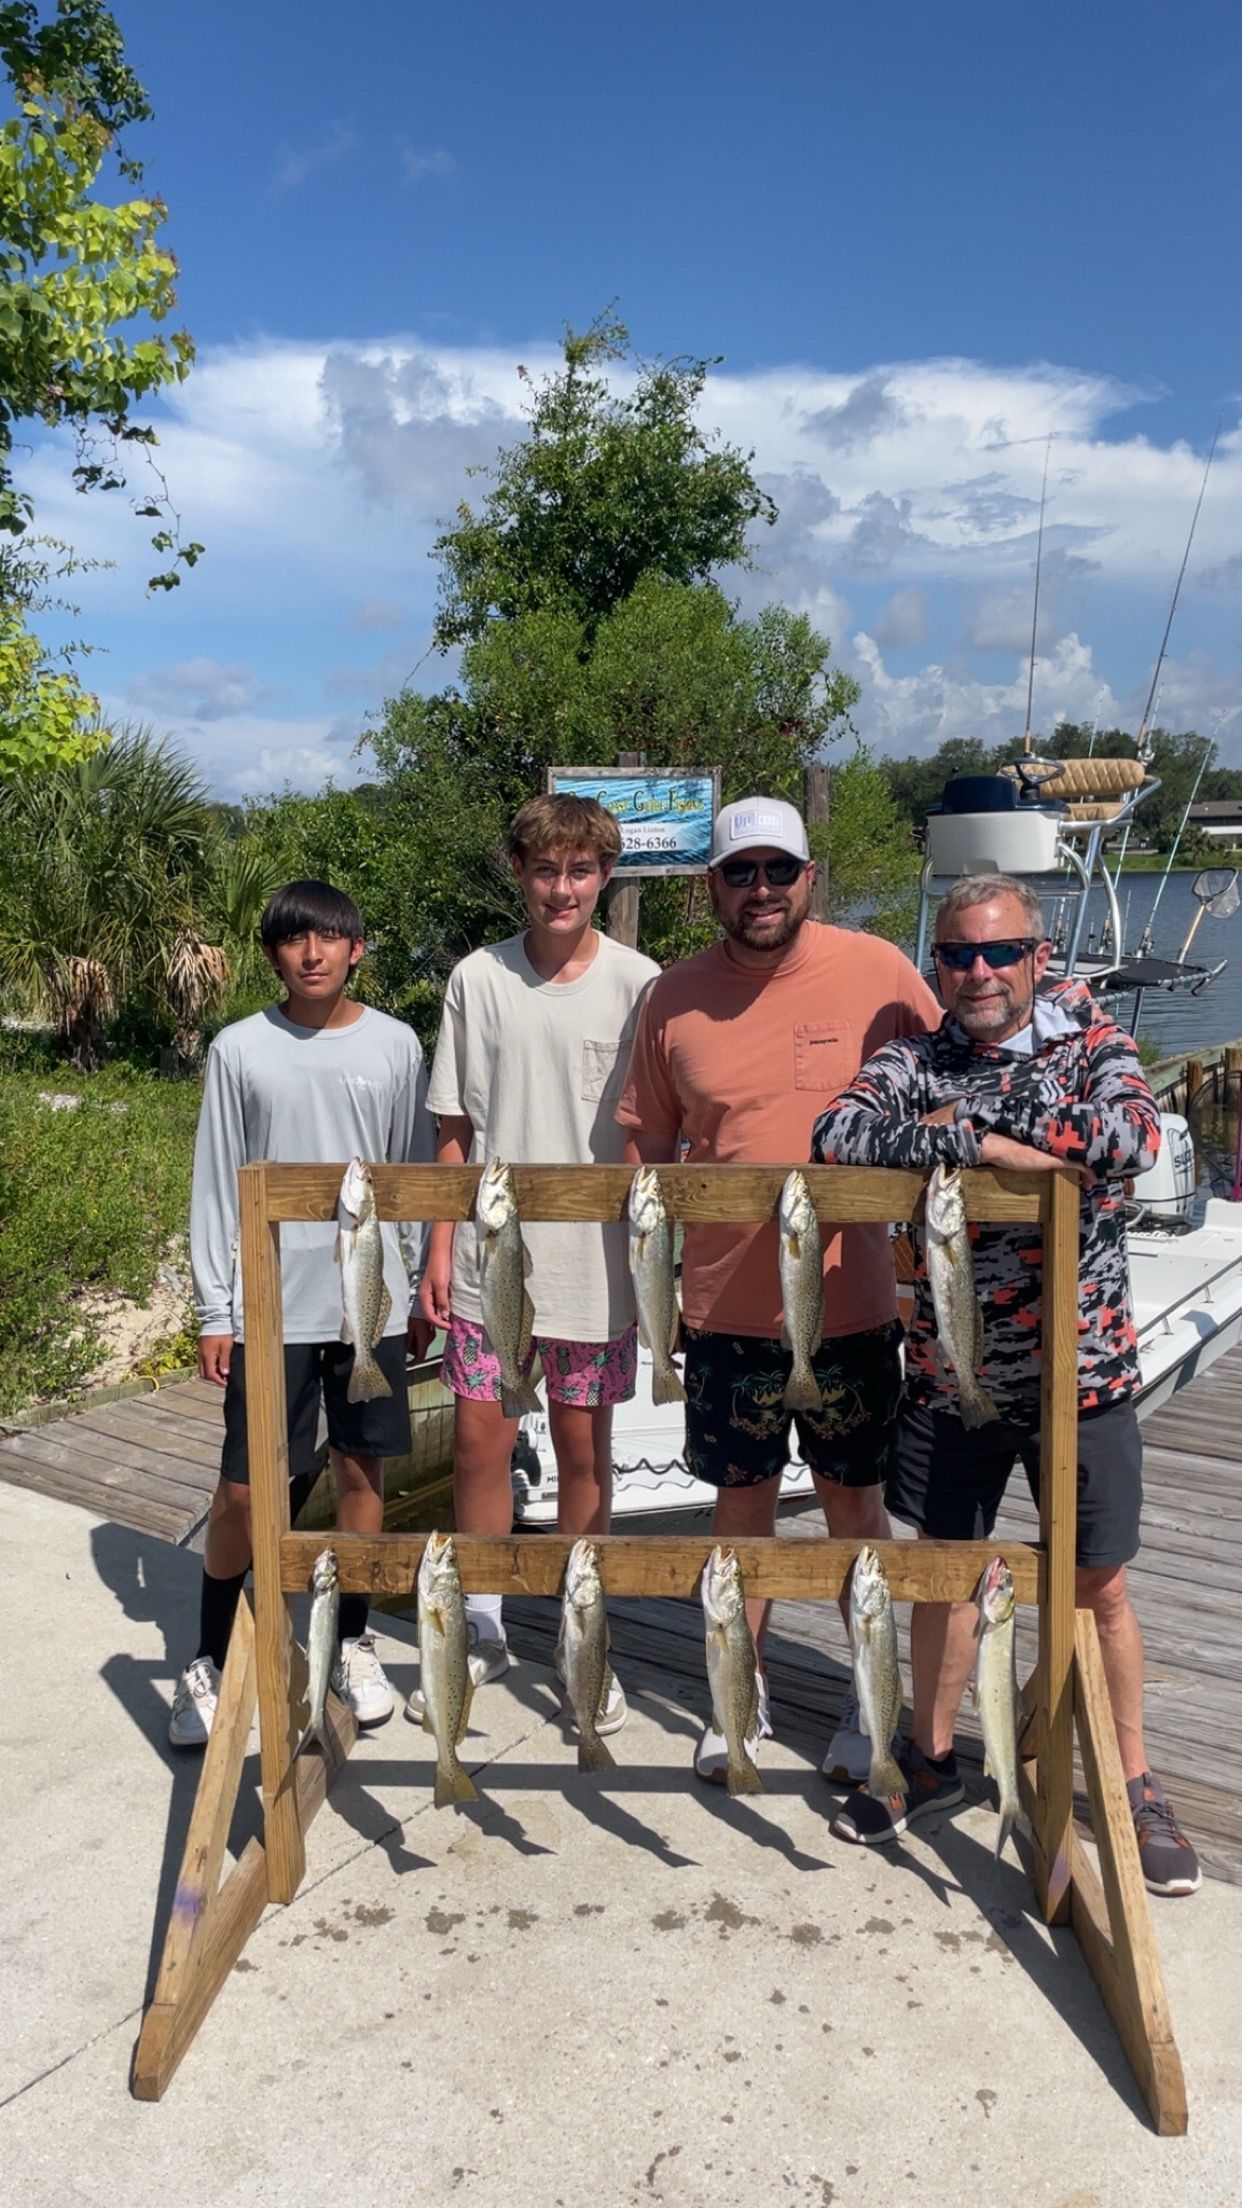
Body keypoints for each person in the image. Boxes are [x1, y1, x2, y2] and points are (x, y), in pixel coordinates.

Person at [811, 871, 1201, 1896]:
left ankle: (1132, 1779)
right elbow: (839, 1134)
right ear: (935, 962)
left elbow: (1130, 1137)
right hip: (949, 1379)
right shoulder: (909, 1057)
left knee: (1097, 1584)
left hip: (1087, 1374)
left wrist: (970, 1121)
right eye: (955, 955)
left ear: (1040, 956)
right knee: (945, 1572)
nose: (976, 973)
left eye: (997, 952)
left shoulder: (1097, 1043)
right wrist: (987, 1142)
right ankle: (932, 1756)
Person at [616, 793, 941, 1784]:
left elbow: (949, 1079)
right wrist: (656, 1285)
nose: (761, 889)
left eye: (778, 870)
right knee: (738, 1509)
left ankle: (866, 1687)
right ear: (711, 885)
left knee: (856, 1509)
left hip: (852, 1310)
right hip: (722, 1310)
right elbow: (646, 1142)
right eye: (740, 872)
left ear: (811, 878)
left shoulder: (880, 970)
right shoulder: (672, 996)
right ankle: (735, 1689)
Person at [408, 793, 659, 1734]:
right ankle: (479, 1620)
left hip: (598, 1264)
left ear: (604, 877)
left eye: (581, 871)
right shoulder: (478, 977)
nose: (563, 888)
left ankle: (580, 1627)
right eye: (545, 869)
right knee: (479, 1442)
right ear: (519, 872)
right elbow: (453, 1130)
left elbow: (652, 1133)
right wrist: (438, 1246)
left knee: (584, 1447)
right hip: (488, 1257)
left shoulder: (641, 980)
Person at [170, 880, 433, 1747]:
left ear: (356, 948)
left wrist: (420, 1273)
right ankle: (209, 1657)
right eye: (293, 940)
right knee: (246, 1487)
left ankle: (354, 1641)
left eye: (329, 938)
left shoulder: (397, 1046)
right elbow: (216, 1180)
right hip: (269, 1309)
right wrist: (216, 1306)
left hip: (371, 1308)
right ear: (273, 953)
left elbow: (411, 1172)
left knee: (362, 1475)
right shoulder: (240, 1049)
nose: (311, 953)